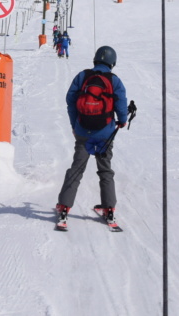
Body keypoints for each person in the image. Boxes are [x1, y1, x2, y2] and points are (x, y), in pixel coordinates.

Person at [55, 46, 129, 229]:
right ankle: (109, 210)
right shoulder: (114, 80)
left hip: (83, 131)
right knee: (105, 170)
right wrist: (122, 120)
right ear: (113, 62)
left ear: (95, 59)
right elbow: (121, 102)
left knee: (77, 168)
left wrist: (75, 125)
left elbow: (71, 102)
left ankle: (64, 207)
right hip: (105, 134)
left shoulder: (83, 76)